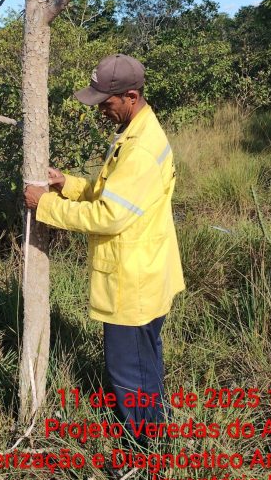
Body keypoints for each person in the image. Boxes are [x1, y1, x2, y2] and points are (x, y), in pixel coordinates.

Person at [24, 53, 185, 436]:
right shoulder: (135, 133)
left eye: (106, 102)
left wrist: (44, 204)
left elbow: (109, 216)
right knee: (143, 363)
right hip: (142, 269)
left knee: (130, 372)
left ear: (130, 96)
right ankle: (149, 439)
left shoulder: (141, 148)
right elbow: (111, 193)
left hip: (134, 281)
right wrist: (68, 184)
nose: (101, 110)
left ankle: (145, 455)